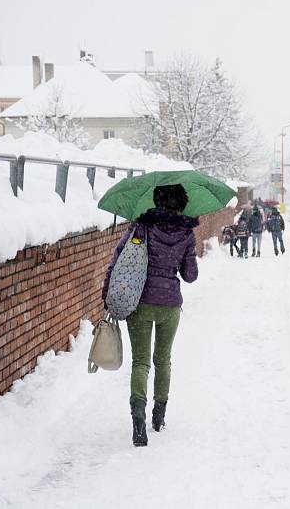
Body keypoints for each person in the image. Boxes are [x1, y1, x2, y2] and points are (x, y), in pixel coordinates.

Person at [102, 184, 198, 447]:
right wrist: (185, 254)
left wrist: (107, 296)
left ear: (156, 200)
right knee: (163, 360)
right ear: (182, 203)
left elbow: (118, 260)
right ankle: (159, 415)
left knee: (141, 362)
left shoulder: (141, 228)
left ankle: (138, 418)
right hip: (169, 304)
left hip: (141, 302)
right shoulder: (186, 233)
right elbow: (190, 276)